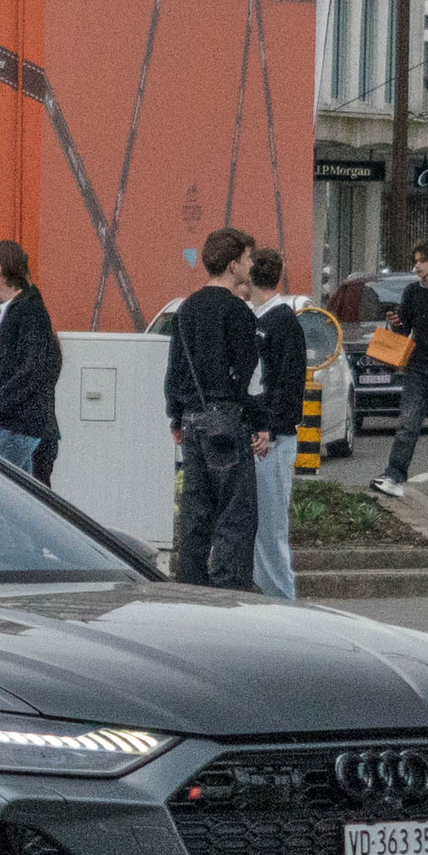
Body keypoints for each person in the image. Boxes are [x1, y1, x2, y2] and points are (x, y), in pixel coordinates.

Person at [166, 227, 265, 590]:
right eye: (248, 259)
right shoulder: (237, 311)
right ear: (232, 265)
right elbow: (247, 377)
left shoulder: (186, 308)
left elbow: (175, 367)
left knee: (195, 510)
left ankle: (190, 587)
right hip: (226, 420)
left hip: (192, 420)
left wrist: (175, 415)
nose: (251, 265)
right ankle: (228, 590)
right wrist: (259, 420)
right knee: (235, 513)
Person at [369, 241, 428, 500]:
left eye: (422, 261)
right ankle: (394, 476)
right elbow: (404, 330)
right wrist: (397, 323)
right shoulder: (412, 292)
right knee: (407, 424)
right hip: (417, 366)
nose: (417, 266)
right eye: (415, 261)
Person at [247, 247, 304, 599]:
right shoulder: (273, 320)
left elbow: (285, 384)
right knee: (265, 524)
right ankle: (273, 594)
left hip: (273, 437)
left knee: (271, 525)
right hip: (270, 433)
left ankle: (283, 598)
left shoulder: (279, 322)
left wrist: (269, 425)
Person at [0, 239, 61, 473]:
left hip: (16, 428)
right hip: (13, 426)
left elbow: (31, 371)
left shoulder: (29, 311)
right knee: (16, 494)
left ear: (0, 269)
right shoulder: (17, 309)